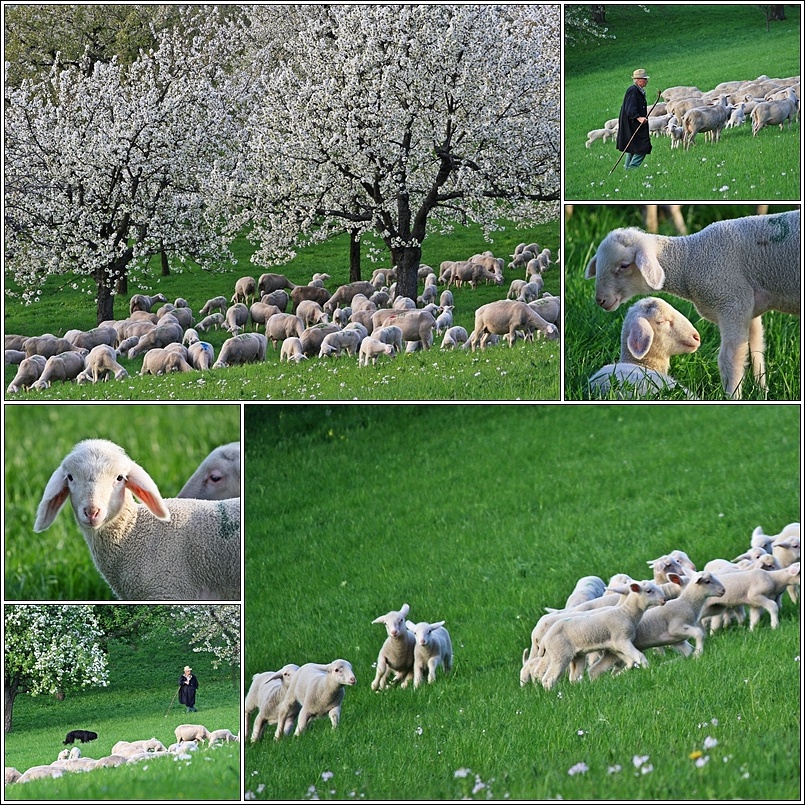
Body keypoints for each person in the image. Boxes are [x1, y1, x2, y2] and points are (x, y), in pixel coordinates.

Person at [617, 68, 653, 169]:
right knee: (642, 147)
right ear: (638, 80)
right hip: (632, 124)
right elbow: (630, 108)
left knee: (633, 146)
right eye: (645, 79)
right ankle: (632, 169)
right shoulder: (633, 90)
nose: (646, 81)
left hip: (634, 124)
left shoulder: (638, 90)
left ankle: (627, 169)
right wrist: (638, 118)